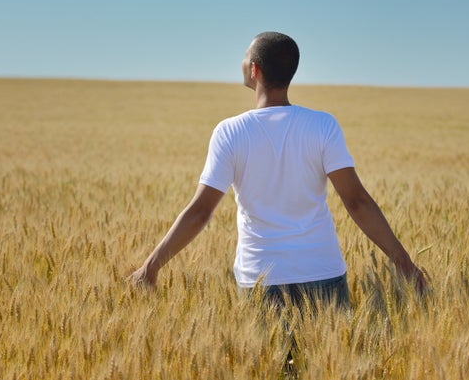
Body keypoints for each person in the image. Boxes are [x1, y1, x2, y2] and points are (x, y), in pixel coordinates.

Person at [129, 32, 428, 307]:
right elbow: (357, 201)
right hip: (322, 272)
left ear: (255, 69)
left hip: (261, 279)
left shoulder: (230, 132)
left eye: (246, 57)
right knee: (322, 366)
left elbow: (200, 211)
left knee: (271, 367)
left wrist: (151, 266)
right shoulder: (323, 125)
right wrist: (404, 263)